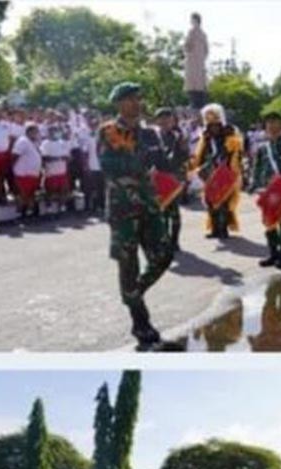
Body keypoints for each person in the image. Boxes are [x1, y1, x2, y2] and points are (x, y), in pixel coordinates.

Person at [98, 82, 173, 349]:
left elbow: (164, 164)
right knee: (128, 265)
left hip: (150, 207)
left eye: (138, 99)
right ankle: (141, 323)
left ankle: (134, 293)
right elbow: (108, 165)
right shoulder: (108, 131)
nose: (136, 103)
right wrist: (139, 162)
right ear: (119, 103)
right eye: (130, 99)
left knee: (164, 255)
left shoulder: (151, 134)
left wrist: (182, 153)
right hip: (123, 210)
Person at [191, 103, 244, 241]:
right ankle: (215, 229)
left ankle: (224, 229)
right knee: (210, 201)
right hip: (210, 174)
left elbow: (236, 153)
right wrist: (199, 167)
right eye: (210, 123)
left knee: (224, 201)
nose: (213, 127)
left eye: (215, 123)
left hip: (225, 172)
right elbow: (200, 154)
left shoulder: (229, 134)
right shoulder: (206, 137)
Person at [250, 110, 281, 268]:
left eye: (276, 123)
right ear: (266, 127)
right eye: (269, 123)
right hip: (267, 189)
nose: (272, 126)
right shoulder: (262, 148)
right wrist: (253, 183)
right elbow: (256, 167)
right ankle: (273, 253)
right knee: (269, 223)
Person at [152, 107, 188, 254]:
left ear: (173, 121)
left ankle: (174, 241)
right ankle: (163, 240)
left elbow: (185, 157)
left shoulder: (178, 136)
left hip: (173, 179)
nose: (165, 121)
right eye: (161, 118)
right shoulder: (153, 136)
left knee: (174, 212)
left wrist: (183, 177)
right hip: (158, 178)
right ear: (157, 121)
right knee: (161, 212)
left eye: (168, 118)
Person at [10, 123, 42, 217]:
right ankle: (20, 213)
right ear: (28, 132)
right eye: (35, 132)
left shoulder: (34, 142)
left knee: (31, 194)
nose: (37, 134)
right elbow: (15, 155)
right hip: (23, 173)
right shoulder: (23, 141)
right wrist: (12, 168)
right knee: (23, 194)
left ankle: (29, 212)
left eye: (37, 132)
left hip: (33, 174)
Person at [182, 13, 208, 109]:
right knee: (199, 83)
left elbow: (187, 45)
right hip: (200, 63)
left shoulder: (192, 32)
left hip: (192, 63)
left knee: (192, 83)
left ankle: (194, 104)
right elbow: (206, 50)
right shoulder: (203, 34)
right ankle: (198, 103)